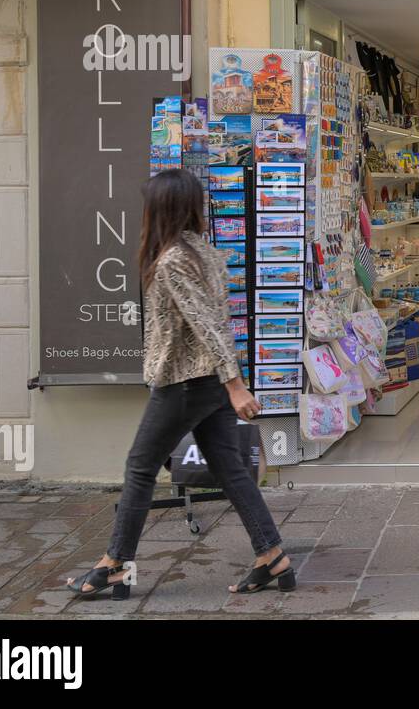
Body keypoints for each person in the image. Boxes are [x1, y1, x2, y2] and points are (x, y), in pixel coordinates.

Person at [65, 169, 293, 600]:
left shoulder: (170, 260)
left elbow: (206, 324)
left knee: (140, 467)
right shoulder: (204, 252)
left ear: (160, 208)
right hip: (208, 382)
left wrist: (236, 384)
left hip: (185, 383)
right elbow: (216, 322)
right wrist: (229, 382)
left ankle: (115, 563)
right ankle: (272, 555)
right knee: (229, 469)